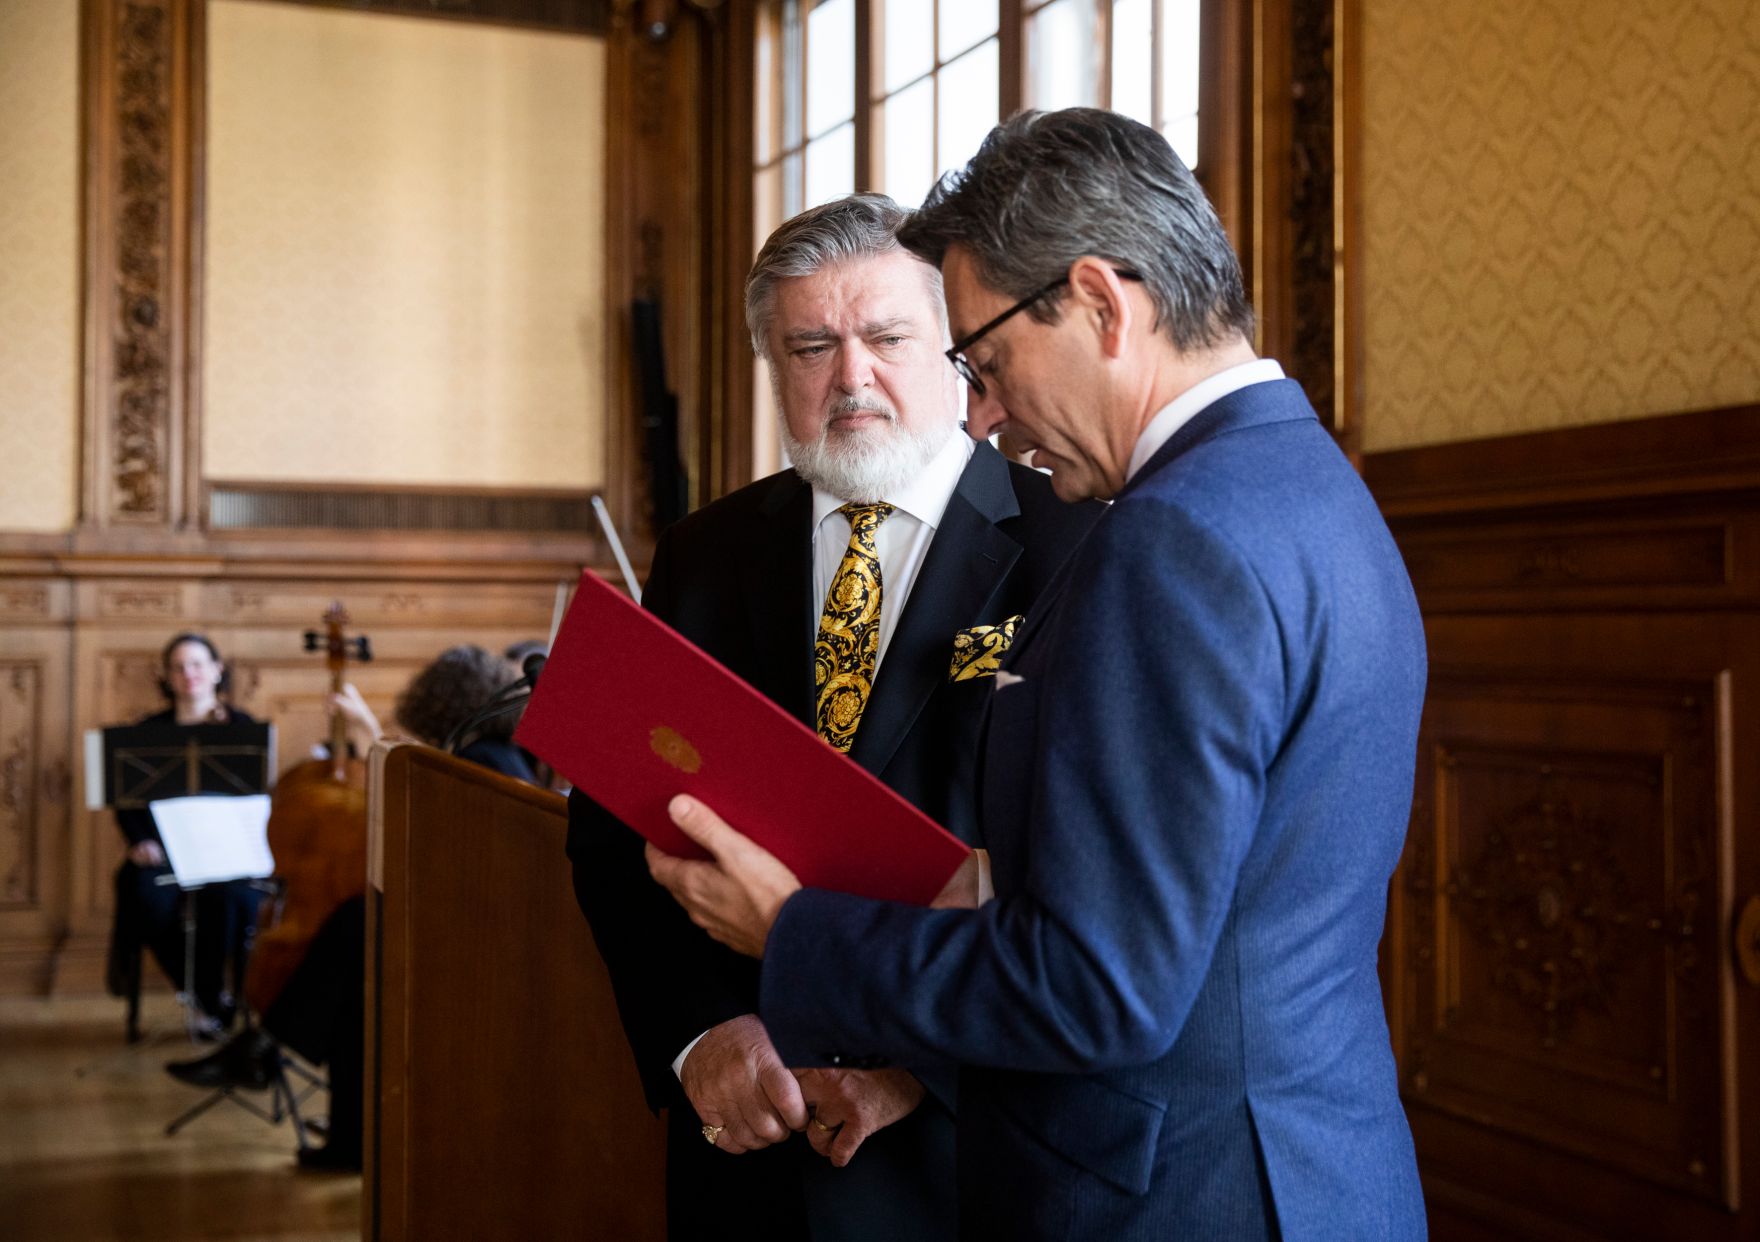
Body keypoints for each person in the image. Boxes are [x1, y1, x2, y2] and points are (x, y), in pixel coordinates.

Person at [646, 109, 1430, 1241]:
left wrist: (795, 927)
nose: (986, 410)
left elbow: (1099, 989)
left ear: (1102, 305)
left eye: (989, 358)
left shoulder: (1168, 541)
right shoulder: (1302, 477)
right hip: (1306, 1167)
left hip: (1184, 1189)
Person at [565, 193, 1101, 1241]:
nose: (851, 377)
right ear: (773, 368)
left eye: (886, 337)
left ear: (954, 349)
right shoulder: (704, 553)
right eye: (811, 346)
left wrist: (918, 1069)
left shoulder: (1076, 545)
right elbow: (608, 824)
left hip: (964, 1153)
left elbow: (1092, 885)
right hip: (743, 1142)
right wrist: (698, 1037)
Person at [168, 643, 536, 1172]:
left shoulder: (480, 761)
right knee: (351, 979)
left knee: (351, 929)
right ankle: (334, 1124)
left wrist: (370, 735)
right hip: (470, 917)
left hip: (473, 933)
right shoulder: (492, 756)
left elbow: (441, 841)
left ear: (439, 701)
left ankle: (268, 1050)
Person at [108, 633, 265, 1035]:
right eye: (178, 667)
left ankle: (211, 997)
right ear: (168, 677)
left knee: (227, 896)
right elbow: (129, 802)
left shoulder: (242, 727)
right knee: (141, 892)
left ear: (216, 670)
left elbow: (255, 797)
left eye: (197, 664)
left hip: (225, 854)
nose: (188, 674)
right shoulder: (147, 730)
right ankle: (205, 995)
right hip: (166, 854)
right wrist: (139, 843)